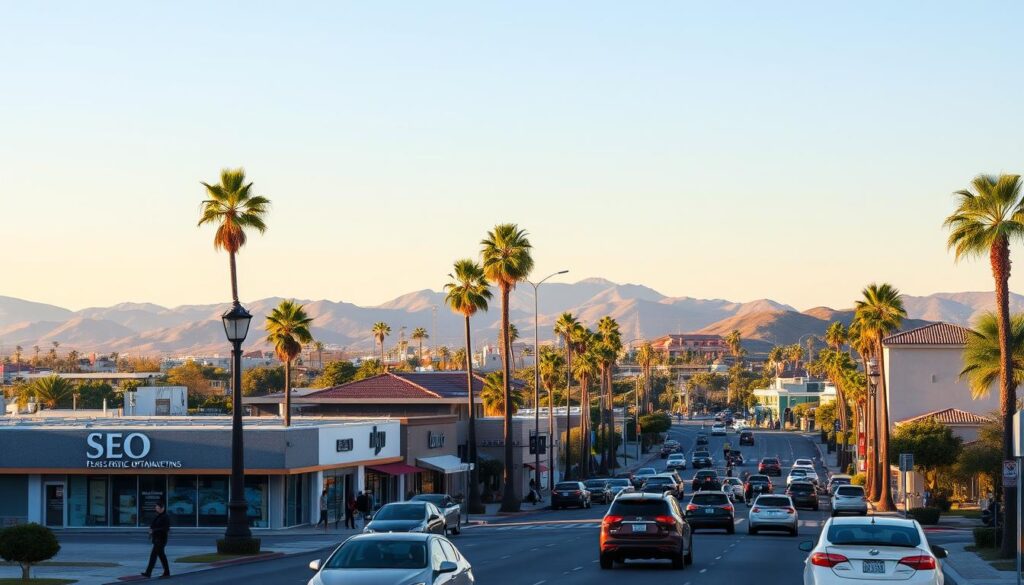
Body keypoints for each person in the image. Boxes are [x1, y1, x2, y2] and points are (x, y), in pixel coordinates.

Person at [141, 501, 170, 579]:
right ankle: (167, 572)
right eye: (156, 508)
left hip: (161, 540)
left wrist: (154, 530)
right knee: (162, 556)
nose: (156, 509)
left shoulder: (165, 517)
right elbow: (154, 525)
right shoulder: (158, 516)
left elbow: (165, 529)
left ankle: (148, 573)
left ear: (162, 508)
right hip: (157, 539)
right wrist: (151, 529)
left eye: (158, 508)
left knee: (153, 556)